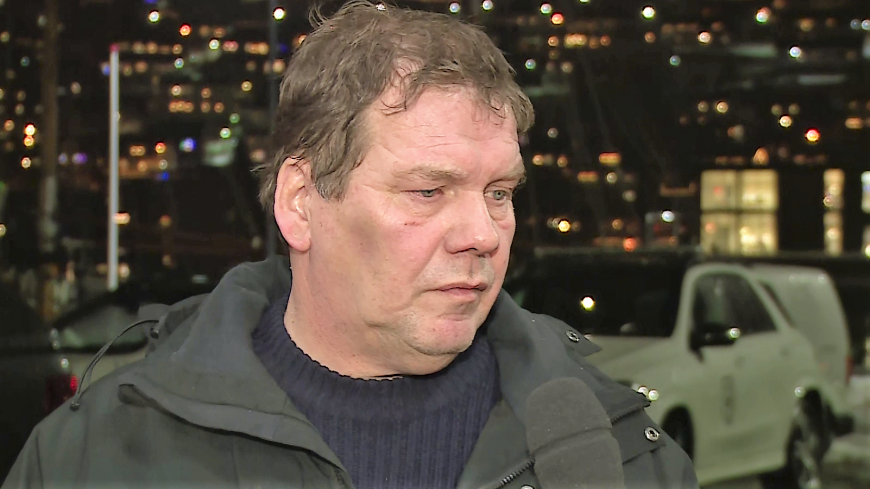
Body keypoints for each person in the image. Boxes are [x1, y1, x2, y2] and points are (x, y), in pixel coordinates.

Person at [3, 2, 697, 488]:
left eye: (499, 192)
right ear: (300, 201)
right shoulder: (99, 454)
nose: (484, 234)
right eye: (428, 191)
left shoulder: (618, 452)